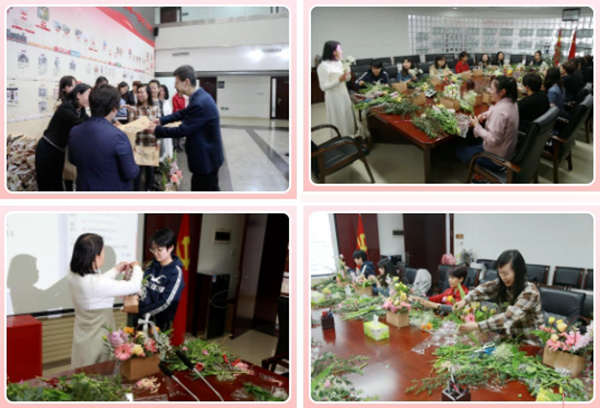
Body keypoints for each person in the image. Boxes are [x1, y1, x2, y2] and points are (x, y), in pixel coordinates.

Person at [68, 233, 143, 368]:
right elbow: (133, 286)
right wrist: (137, 267)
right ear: (95, 257)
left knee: (82, 367)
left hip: (82, 334)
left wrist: (116, 270)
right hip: (98, 338)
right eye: (102, 252)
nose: (104, 255)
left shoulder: (73, 274)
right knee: (97, 371)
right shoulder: (96, 284)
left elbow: (99, 283)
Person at [148, 65, 224, 191]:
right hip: (211, 157)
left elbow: (182, 130)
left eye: (177, 82)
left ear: (187, 82)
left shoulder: (200, 102)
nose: (175, 86)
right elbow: (183, 113)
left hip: (206, 160)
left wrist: (157, 130)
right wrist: (161, 120)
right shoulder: (200, 96)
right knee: (212, 189)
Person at [453, 250, 544, 346]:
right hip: (511, 341)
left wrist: (477, 326)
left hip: (531, 343)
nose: (502, 277)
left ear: (518, 272)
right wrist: (465, 300)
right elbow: (485, 288)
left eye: (506, 273)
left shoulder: (530, 292)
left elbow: (508, 318)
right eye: (500, 273)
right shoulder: (503, 283)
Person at [69, 84, 139, 191]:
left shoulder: (75, 131)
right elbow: (131, 172)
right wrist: (134, 159)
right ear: (114, 109)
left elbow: (72, 160)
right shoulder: (118, 136)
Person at [456, 76, 519, 173]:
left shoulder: (500, 113)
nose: (489, 91)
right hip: (505, 150)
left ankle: (479, 167)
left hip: (496, 159)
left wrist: (477, 126)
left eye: (492, 88)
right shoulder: (512, 102)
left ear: (502, 92)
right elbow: (494, 109)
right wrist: (486, 115)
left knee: (459, 150)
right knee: (471, 140)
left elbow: (492, 140)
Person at [36, 84, 91, 191]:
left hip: (59, 150)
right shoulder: (65, 108)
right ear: (78, 95)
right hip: (47, 149)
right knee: (46, 185)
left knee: (57, 183)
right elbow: (81, 124)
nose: (90, 99)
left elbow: (88, 120)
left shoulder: (80, 110)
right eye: (89, 95)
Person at [137, 229, 185, 332]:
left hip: (159, 324)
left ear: (171, 248)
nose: (155, 253)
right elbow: (143, 287)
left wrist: (143, 311)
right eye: (153, 250)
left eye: (159, 250)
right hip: (141, 318)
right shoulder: (151, 265)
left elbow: (166, 302)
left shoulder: (175, 272)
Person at [316, 40, 356, 137]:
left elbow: (346, 80)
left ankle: (349, 136)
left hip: (344, 94)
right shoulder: (323, 66)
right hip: (334, 97)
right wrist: (339, 80)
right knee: (339, 118)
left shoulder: (339, 63)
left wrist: (348, 74)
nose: (341, 51)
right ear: (333, 51)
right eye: (340, 49)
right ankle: (340, 138)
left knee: (347, 116)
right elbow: (323, 87)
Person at [128, 83, 160, 191]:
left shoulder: (156, 109)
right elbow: (131, 129)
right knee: (137, 173)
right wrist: (132, 145)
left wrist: (158, 142)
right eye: (138, 92)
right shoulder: (134, 109)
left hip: (151, 144)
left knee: (150, 172)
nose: (139, 95)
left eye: (141, 92)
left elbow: (159, 128)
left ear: (148, 93)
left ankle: (148, 191)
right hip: (139, 145)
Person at [158, 84, 173, 159]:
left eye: (163, 90)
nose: (161, 92)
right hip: (159, 125)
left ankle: (167, 159)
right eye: (160, 90)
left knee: (167, 142)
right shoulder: (156, 101)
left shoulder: (167, 102)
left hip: (167, 126)